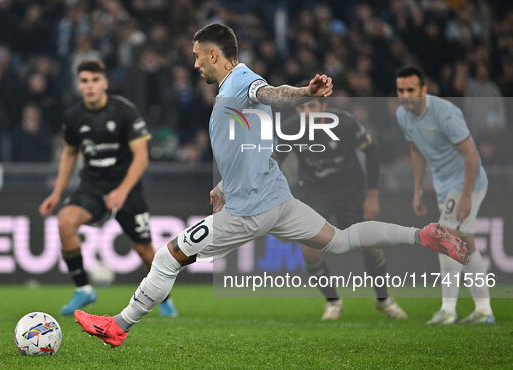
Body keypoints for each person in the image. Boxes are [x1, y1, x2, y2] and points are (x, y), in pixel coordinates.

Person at [75, 24, 469, 348]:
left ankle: (118, 326)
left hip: (248, 212)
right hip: (278, 198)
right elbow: (248, 139)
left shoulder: (240, 81)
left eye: (197, 56)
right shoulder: (232, 88)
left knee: (168, 256)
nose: (195, 64)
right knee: (341, 240)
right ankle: (425, 236)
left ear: (214, 54)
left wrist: (303, 93)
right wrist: (225, 185)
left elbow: (272, 93)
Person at [39, 60, 177, 317]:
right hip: (92, 187)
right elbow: (69, 154)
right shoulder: (74, 116)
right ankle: (83, 289)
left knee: (145, 251)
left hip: (128, 189)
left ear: (104, 82)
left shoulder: (124, 111)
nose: (89, 86)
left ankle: (164, 297)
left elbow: (142, 156)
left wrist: (123, 190)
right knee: (65, 221)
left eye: (94, 80)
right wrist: (57, 193)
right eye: (84, 81)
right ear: (79, 85)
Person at [278, 98, 407, 320]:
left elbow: (372, 151)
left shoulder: (345, 123)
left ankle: (383, 299)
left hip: (350, 190)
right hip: (314, 191)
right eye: (302, 107)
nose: (307, 112)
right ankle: (333, 302)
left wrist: (372, 194)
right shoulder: (289, 128)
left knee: (371, 247)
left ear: (323, 107)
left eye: (312, 106)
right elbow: (275, 160)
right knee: (308, 250)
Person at [395, 65, 493, 325]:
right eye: (401, 90)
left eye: (411, 90)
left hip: (467, 182)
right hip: (443, 185)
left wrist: (466, 196)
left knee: (444, 237)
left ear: (423, 89)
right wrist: (417, 189)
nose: (405, 96)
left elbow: (471, 154)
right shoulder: (402, 115)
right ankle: (484, 311)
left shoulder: (446, 113)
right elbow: (416, 150)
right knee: (467, 243)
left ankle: (448, 311)